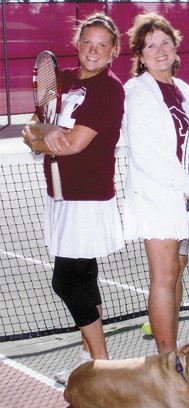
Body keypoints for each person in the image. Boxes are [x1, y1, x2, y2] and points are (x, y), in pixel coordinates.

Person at [22, 13, 125, 383]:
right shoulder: (62, 79)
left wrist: (46, 138)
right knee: (84, 274)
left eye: (102, 45)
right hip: (60, 195)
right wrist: (41, 136)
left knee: (65, 281)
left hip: (86, 198)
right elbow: (30, 127)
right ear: (77, 44)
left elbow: (74, 144)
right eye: (87, 42)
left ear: (114, 50)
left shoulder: (110, 89)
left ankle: (101, 366)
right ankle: (90, 357)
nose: (93, 51)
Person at [122, 13, 189, 355]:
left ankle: (172, 351)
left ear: (175, 48)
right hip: (158, 198)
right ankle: (167, 362)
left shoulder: (184, 89)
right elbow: (146, 155)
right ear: (140, 54)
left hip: (185, 200)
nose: (159, 50)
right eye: (150, 45)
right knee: (163, 276)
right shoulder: (137, 92)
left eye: (165, 43)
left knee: (178, 270)